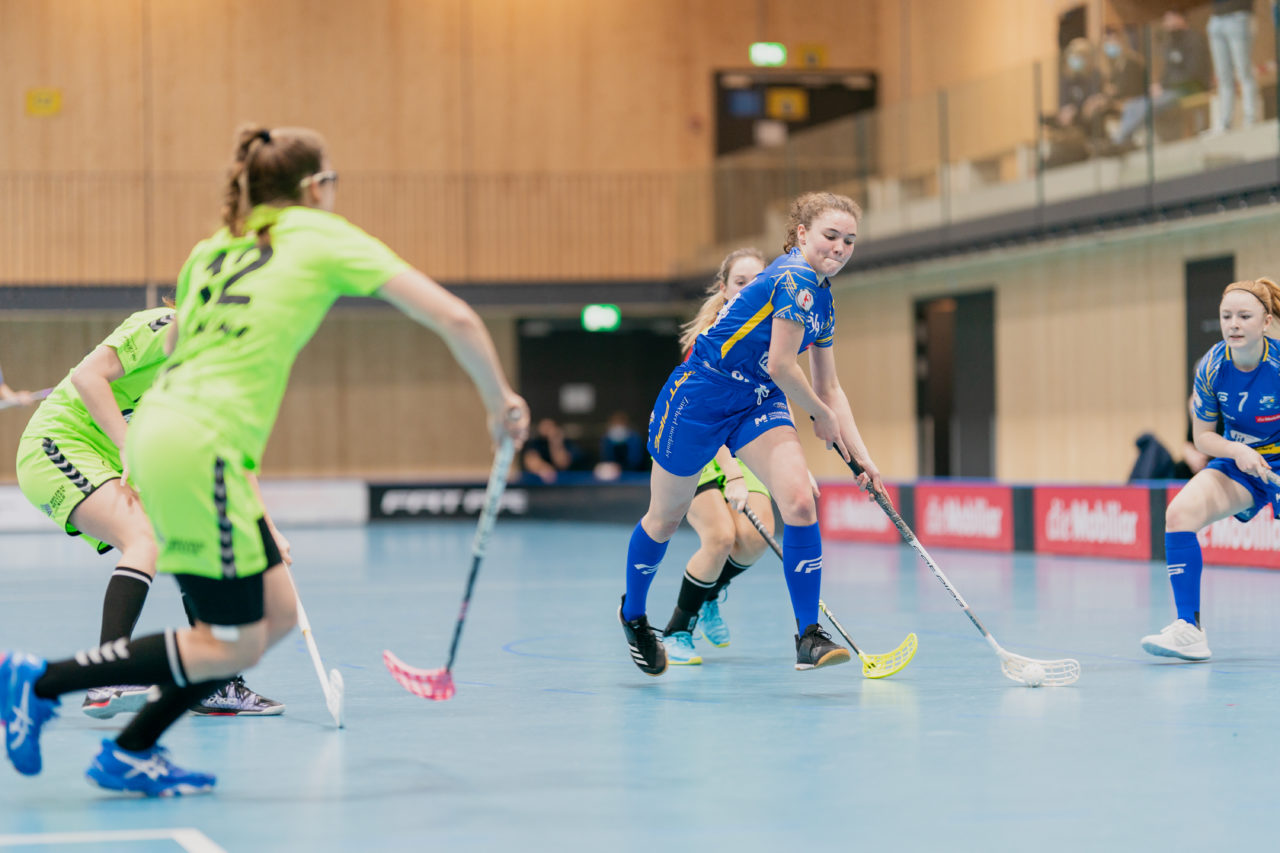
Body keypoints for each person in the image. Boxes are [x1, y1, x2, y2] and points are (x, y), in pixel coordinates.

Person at [1, 124, 530, 796]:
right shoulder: (319, 234)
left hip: (181, 440)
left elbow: (191, 360)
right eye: (332, 181)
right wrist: (500, 401)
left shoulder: (211, 251)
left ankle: (128, 750)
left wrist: (256, 511)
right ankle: (41, 682)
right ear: (314, 186)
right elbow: (455, 317)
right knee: (234, 639)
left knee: (273, 615)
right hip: (196, 447)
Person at [618, 192, 884, 676]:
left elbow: (828, 386)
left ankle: (808, 636)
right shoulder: (794, 278)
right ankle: (634, 615)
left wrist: (861, 456)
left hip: (756, 398)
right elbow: (784, 366)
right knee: (665, 518)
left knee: (799, 502)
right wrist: (821, 416)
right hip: (700, 398)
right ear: (801, 234)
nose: (840, 248)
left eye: (849, 240)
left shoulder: (823, 299)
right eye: (830, 236)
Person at [15, 306, 282, 719]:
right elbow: (88, 376)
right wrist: (127, 445)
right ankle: (107, 676)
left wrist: (268, 528)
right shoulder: (166, 325)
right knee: (145, 539)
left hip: (110, 460)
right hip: (59, 444)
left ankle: (213, 681)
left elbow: (232, 456)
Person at [1141, 277, 1280, 662]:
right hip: (1241, 463)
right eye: (1226, 316)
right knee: (1180, 513)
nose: (1233, 324)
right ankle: (1189, 629)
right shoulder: (1211, 367)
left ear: (1266, 322)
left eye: (1244, 316)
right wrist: (1237, 450)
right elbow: (1202, 437)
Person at [657, 248, 777, 665]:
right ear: (724, 289)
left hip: (744, 447)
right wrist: (733, 475)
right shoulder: (706, 342)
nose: (749, 290)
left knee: (755, 540)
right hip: (698, 446)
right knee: (721, 538)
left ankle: (708, 593)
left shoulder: (775, 335)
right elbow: (707, 419)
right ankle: (677, 631)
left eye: (757, 282)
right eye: (740, 282)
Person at [1112, 11, 1210, 146]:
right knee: (1131, 106)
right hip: (1169, 89)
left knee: (1147, 106)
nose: (1167, 24)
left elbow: (1194, 73)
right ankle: (1122, 139)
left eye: (1170, 19)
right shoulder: (1171, 43)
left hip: (1190, 88)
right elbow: (1167, 73)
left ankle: (1120, 142)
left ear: (1180, 18)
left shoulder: (1195, 40)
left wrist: (1164, 86)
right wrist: (1159, 85)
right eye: (1165, 20)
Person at [1206, 0, 1258, 133]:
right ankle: (1224, 123)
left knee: (1243, 71)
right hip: (1216, 18)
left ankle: (1251, 118)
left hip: (1238, 16)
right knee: (1223, 76)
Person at [522, 417, 584, 483]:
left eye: (549, 426)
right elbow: (530, 459)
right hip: (538, 483)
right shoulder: (537, 442)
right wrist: (543, 468)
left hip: (566, 482)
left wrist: (555, 441)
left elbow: (562, 463)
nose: (546, 429)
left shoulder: (567, 443)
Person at [594, 411, 647, 480]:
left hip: (634, 474)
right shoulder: (606, 439)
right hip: (612, 474)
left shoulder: (635, 438)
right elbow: (605, 457)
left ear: (626, 425)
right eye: (616, 424)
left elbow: (636, 459)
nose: (618, 427)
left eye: (621, 423)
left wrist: (623, 467)